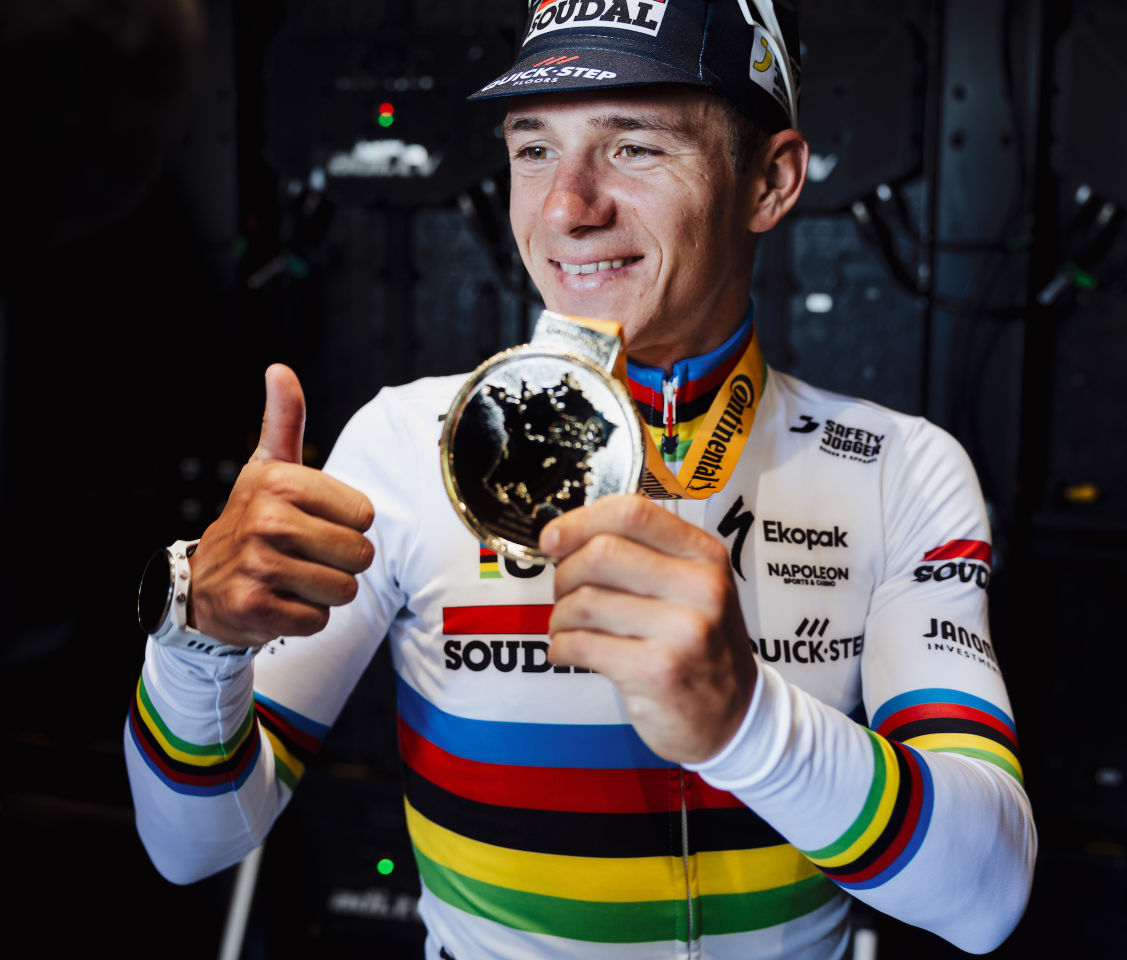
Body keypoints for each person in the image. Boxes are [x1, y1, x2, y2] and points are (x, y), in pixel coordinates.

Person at [125, 1, 1036, 957]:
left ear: (770, 181)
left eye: (634, 146)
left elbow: (987, 898)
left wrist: (746, 722)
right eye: (533, 149)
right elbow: (191, 846)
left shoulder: (899, 468)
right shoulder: (406, 443)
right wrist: (197, 641)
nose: (566, 207)